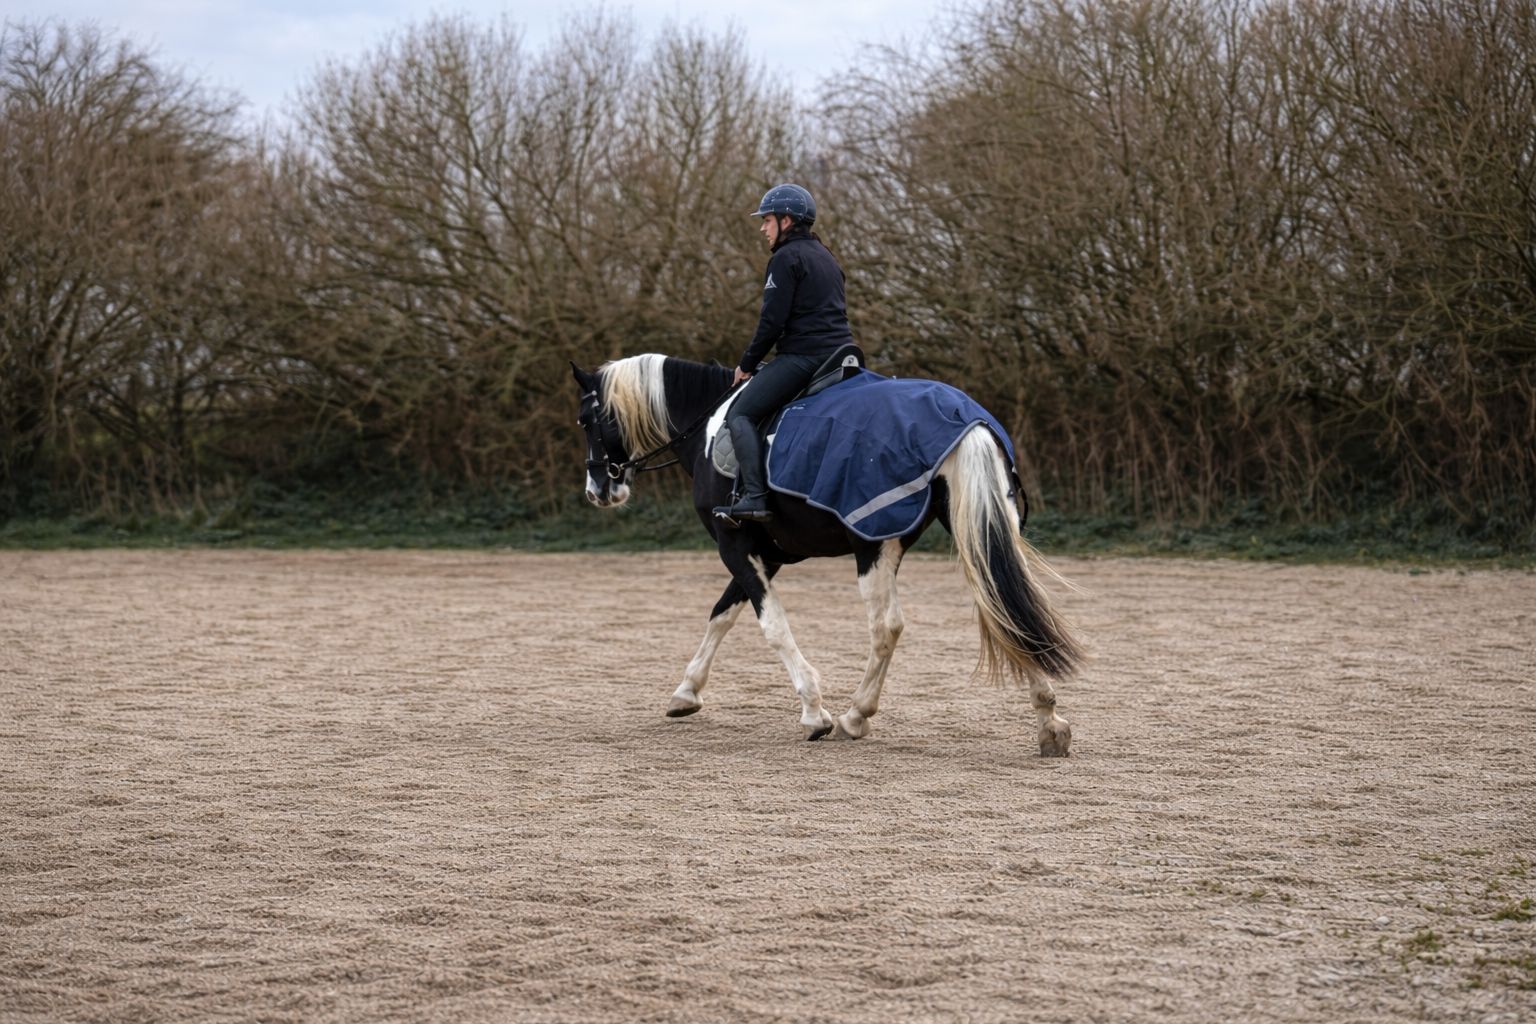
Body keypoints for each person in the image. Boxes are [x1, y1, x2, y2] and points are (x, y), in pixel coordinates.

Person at [713, 183, 854, 525]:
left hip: (805, 357)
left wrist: (746, 364)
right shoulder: (827, 256)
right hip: (842, 354)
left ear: (786, 220)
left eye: (767, 220)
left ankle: (755, 497)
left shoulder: (785, 258)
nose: (763, 227)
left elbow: (772, 322)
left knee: (740, 414)